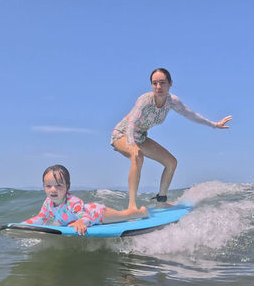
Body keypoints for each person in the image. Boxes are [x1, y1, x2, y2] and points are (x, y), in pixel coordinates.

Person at [111, 68, 231, 214]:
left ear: (170, 84)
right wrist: (132, 144)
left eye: (162, 83)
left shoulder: (172, 102)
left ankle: (161, 202)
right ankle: (131, 207)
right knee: (138, 157)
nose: (158, 87)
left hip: (141, 137)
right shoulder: (145, 100)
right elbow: (131, 124)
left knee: (171, 162)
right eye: (155, 83)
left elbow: (191, 115)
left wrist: (214, 125)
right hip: (123, 134)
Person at [24, 164, 147, 236]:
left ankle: (141, 212)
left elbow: (86, 218)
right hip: (89, 215)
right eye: (48, 186)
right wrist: (23, 226)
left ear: (68, 186)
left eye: (59, 185)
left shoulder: (72, 202)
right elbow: (40, 218)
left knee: (124, 216)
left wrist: (80, 222)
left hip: (98, 214)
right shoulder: (48, 203)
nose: (53, 190)